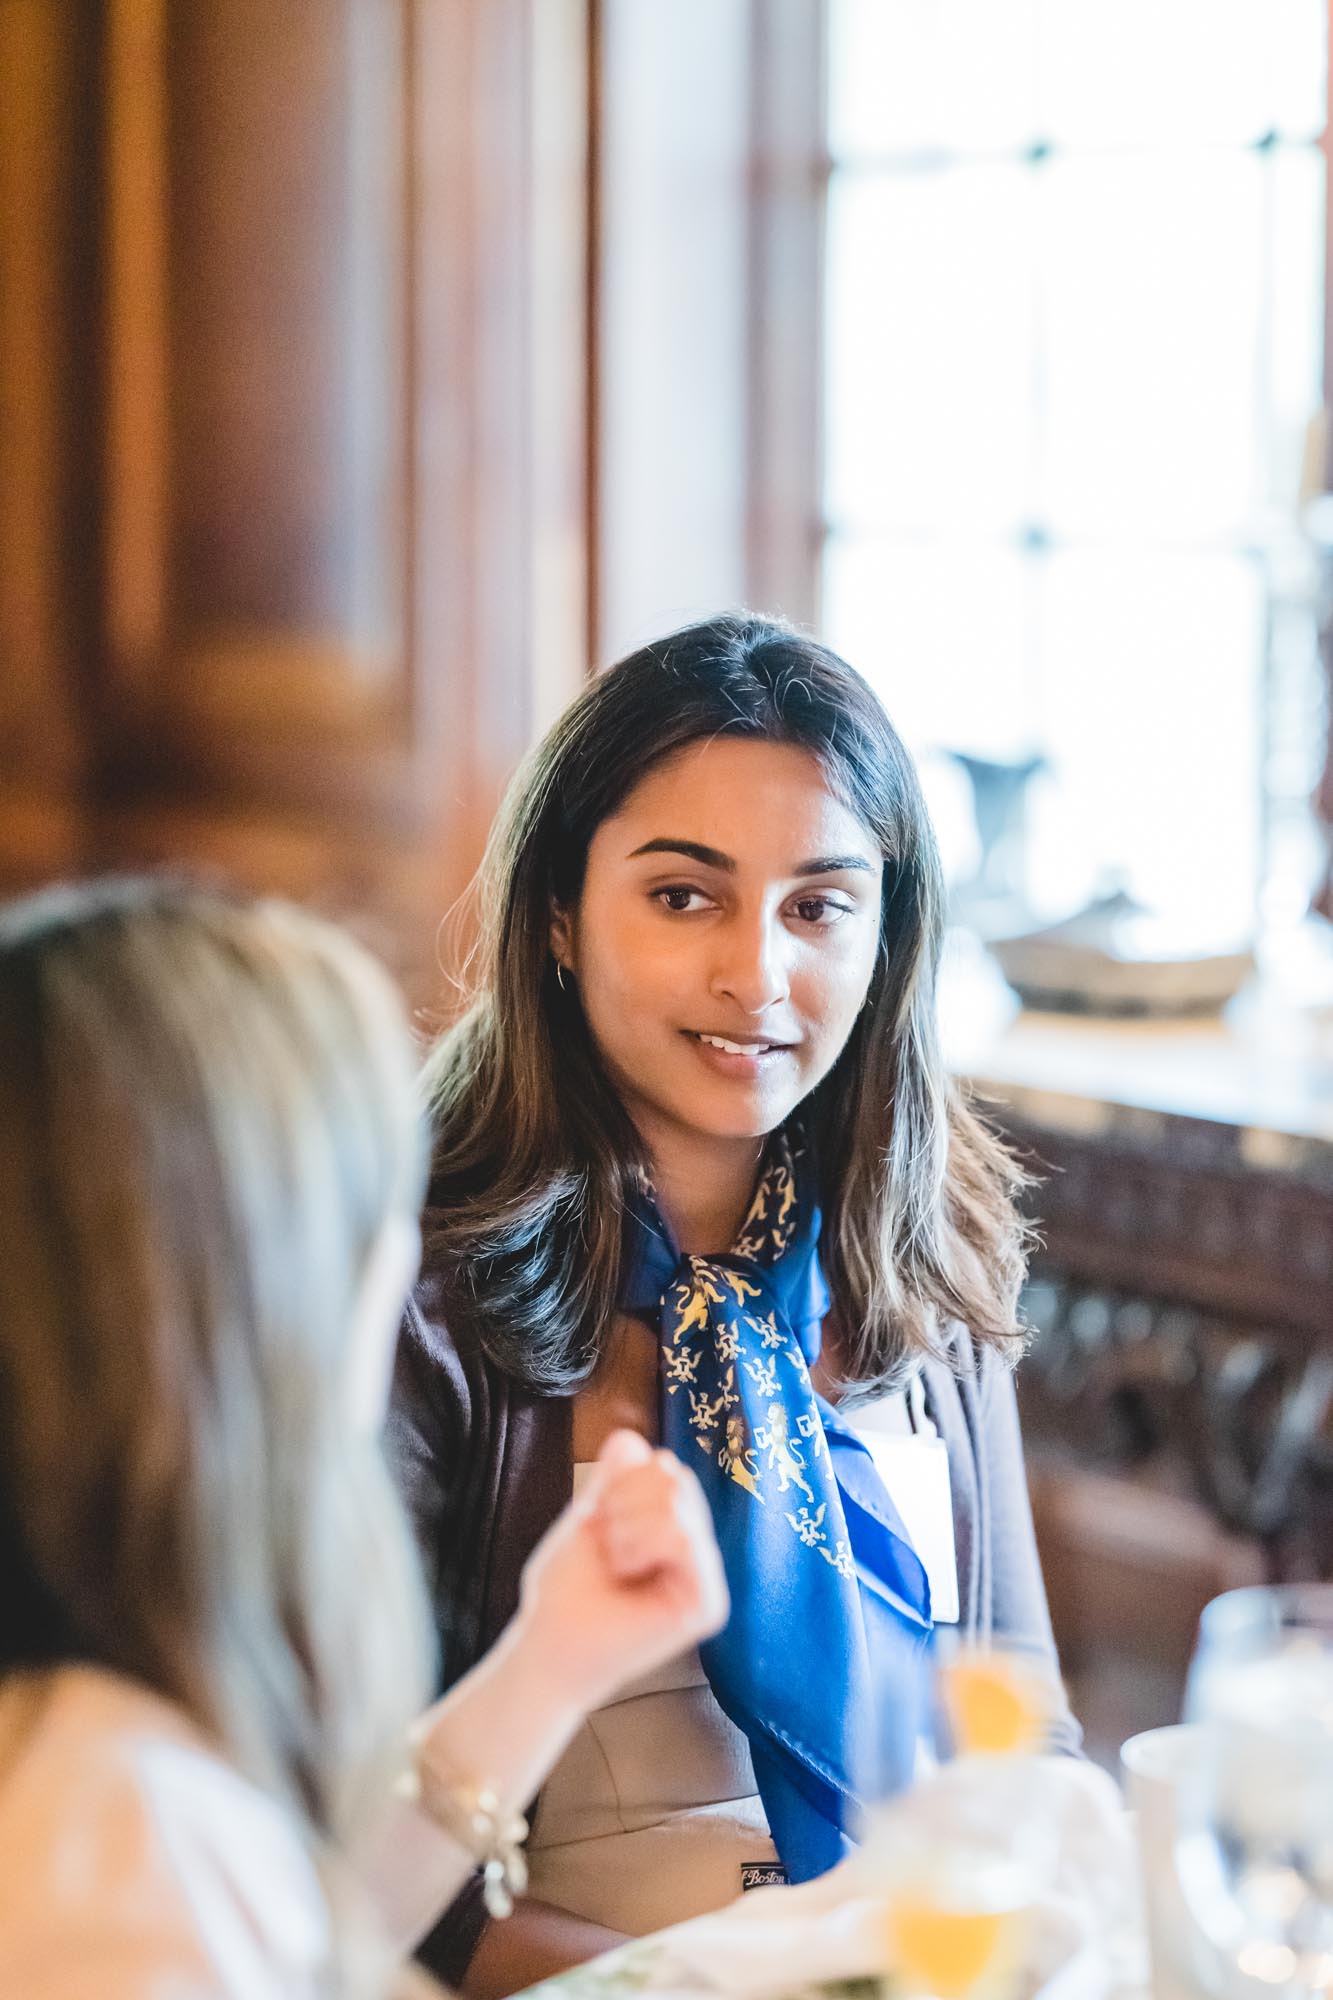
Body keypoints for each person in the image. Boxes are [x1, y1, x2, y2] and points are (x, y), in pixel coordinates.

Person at [391, 612, 1081, 1997]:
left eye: (818, 906)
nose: (756, 976)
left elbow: (1025, 1739)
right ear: (559, 920)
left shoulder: (924, 1253)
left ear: (887, 941)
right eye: (683, 896)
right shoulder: (416, 1292)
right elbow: (374, 1861)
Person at [0, 878, 727, 2000]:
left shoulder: (101, 1752)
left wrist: (551, 1658)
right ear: (253, 1293)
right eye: (377, 1209)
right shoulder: (112, 1843)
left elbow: (306, 1932)